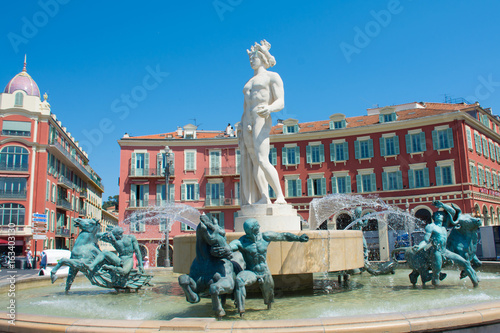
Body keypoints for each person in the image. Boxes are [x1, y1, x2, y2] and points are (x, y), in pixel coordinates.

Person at [228, 218, 309, 316]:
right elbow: (231, 246)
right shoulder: (242, 241)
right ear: (253, 229)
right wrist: (224, 249)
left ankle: (269, 309)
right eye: (257, 226)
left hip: (265, 272)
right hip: (251, 271)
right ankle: (241, 311)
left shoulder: (265, 237)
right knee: (239, 280)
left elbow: (283, 236)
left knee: (269, 297)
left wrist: (298, 238)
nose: (259, 227)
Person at [240, 40, 286, 206]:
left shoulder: (272, 76)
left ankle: (280, 196)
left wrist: (270, 108)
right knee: (254, 161)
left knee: (262, 158)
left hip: (261, 115)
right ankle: (264, 197)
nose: (252, 60)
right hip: (248, 120)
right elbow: (245, 106)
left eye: (255, 57)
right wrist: (242, 121)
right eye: (250, 58)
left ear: (262, 58)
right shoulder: (249, 82)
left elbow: (281, 101)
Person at [413, 201, 478, 287]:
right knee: (436, 273)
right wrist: (419, 246)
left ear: (444, 217)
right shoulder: (431, 226)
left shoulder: (444, 226)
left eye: (441, 214)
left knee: (466, 263)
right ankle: (435, 292)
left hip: (445, 251)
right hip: (436, 251)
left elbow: (453, 212)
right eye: (437, 214)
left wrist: (443, 205)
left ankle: (476, 285)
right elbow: (425, 240)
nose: (439, 215)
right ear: (434, 216)